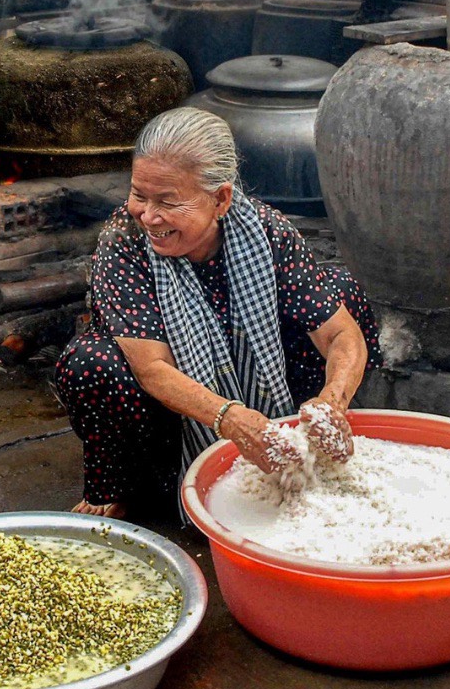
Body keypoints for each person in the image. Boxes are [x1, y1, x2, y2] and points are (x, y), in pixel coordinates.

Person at [55, 107, 381, 519]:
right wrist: (231, 420)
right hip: (166, 418)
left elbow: (340, 336)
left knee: (342, 294)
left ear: (220, 198)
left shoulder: (267, 232)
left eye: (168, 202)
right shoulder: (124, 241)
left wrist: (331, 403)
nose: (149, 216)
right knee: (92, 364)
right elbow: (152, 369)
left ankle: (313, 443)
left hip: (267, 390)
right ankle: (134, 488)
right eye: (139, 195)